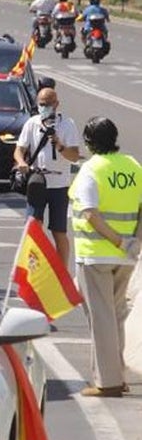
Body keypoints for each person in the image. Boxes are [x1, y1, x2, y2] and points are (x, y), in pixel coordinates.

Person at [69, 116, 142, 397]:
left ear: (89, 143)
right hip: (126, 258)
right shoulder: (133, 166)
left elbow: (90, 214)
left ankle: (108, 382)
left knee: (101, 319)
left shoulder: (91, 170)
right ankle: (117, 374)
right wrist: (133, 242)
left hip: (96, 256)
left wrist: (119, 241)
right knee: (115, 316)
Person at [14, 86, 81, 266]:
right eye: (41, 104)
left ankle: (61, 271)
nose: (45, 108)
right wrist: (21, 162)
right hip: (37, 182)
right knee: (33, 228)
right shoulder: (32, 123)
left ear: (56, 104)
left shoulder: (67, 125)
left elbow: (74, 156)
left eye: (48, 104)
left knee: (59, 231)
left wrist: (59, 145)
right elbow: (19, 150)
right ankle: (33, 268)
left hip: (59, 184)